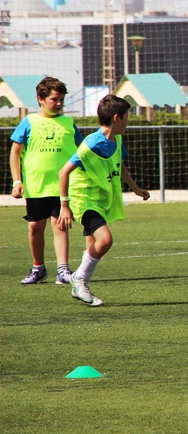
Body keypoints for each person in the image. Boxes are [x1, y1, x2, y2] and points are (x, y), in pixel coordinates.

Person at [57, 95, 151, 306]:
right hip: (85, 200)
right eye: (127, 117)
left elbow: (120, 165)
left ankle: (81, 287)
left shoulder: (116, 140)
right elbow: (64, 172)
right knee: (105, 240)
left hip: (102, 199)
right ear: (117, 118)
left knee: (92, 246)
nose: (129, 121)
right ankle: (78, 279)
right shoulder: (91, 144)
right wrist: (64, 206)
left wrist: (135, 189)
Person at [9, 77, 84, 286]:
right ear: (40, 99)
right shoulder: (29, 122)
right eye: (55, 99)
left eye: (61, 99)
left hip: (62, 185)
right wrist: (17, 181)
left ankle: (63, 270)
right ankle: (38, 268)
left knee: (60, 226)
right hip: (35, 185)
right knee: (34, 226)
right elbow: (15, 153)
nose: (59, 103)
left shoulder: (69, 123)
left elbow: (82, 151)